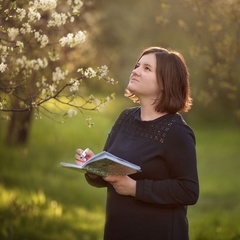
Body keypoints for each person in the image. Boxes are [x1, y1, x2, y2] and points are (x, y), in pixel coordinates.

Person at [75, 46, 199, 240]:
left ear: (165, 82)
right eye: (137, 65)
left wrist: (135, 189)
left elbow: (188, 191)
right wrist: (93, 167)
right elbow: (112, 175)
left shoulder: (176, 132)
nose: (136, 71)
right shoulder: (125, 118)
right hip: (118, 231)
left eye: (147, 68)